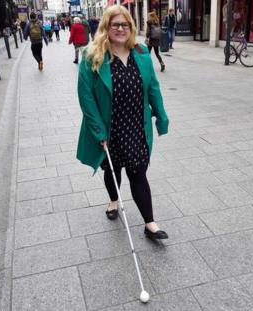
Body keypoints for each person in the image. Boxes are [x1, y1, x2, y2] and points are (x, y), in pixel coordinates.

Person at [77, 5, 169, 240]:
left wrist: (161, 115)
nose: (120, 28)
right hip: (110, 128)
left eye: (124, 24)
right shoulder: (92, 55)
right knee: (113, 170)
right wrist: (98, 132)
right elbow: (86, 97)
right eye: (115, 24)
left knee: (139, 174)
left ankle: (150, 224)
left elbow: (153, 88)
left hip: (137, 127)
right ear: (106, 27)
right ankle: (113, 200)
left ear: (131, 27)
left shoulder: (140, 52)